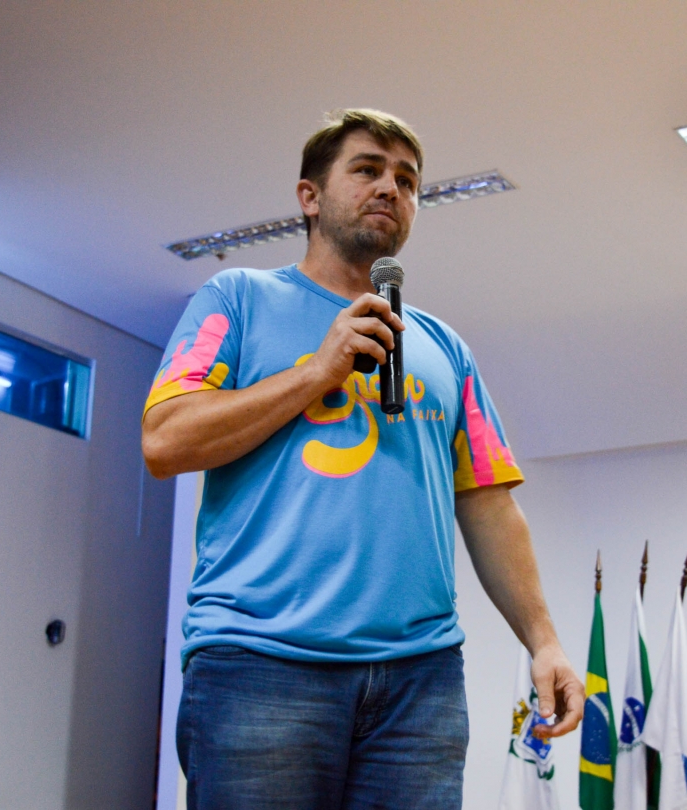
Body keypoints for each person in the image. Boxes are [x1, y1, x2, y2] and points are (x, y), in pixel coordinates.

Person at [141, 109, 584, 810]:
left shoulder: (444, 347)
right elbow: (165, 441)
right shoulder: (237, 299)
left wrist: (545, 642)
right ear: (309, 196)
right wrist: (317, 373)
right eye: (368, 169)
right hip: (261, 664)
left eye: (407, 180)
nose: (390, 188)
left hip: (420, 684)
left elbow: (489, 502)